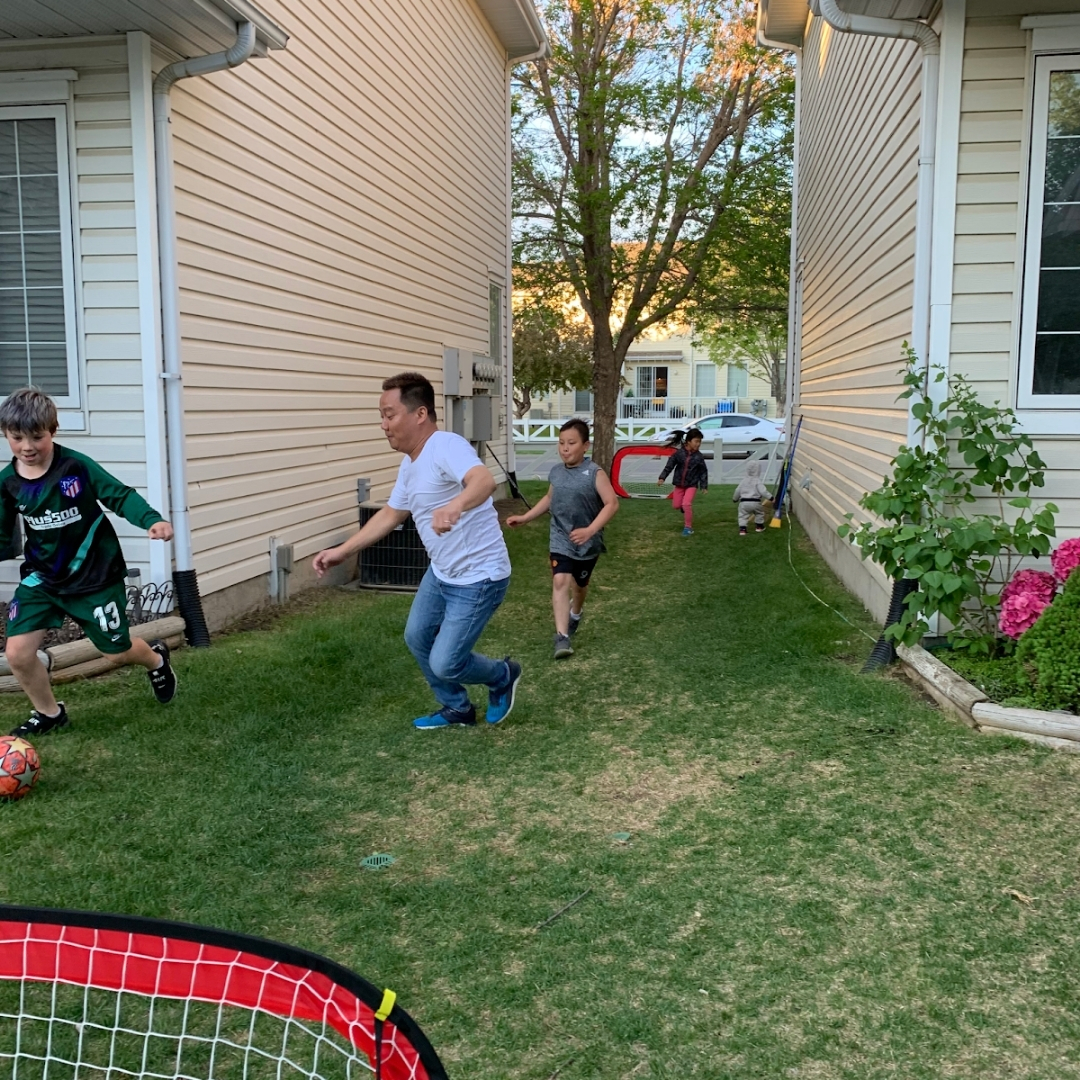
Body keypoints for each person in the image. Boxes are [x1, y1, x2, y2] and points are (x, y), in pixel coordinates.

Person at [313, 372, 521, 730]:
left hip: (479, 577)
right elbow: (393, 513)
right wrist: (343, 551)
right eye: (382, 416)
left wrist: (455, 506)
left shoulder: (446, 445)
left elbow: (483, 481)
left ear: (420, 413)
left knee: (446, 663)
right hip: (442, 574)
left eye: (389, 415)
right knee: (417, 636)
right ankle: (456, 707)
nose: (383, 425)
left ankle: (502, 674)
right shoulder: (410, 463)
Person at [0, 388, 178, 738]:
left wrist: (150, 520)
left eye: (37, 436)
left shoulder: (75, 467)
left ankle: (155, 658)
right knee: (18, 653)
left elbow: (118, 494)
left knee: (115, 652)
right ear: (5, 434)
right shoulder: (8, 483)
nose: (27, 446)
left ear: (53, 430)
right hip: (43, 578)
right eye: (17, 437)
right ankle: (49, 713)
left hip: (95, 576)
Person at [506, 419, 618, 659]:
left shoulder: (594, 473)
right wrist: (526, 517)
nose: (565, 448)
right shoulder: (556, 472)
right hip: (560, 537)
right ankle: (562, 637)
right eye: (561, 443)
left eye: (571, 443)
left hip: (588, 541)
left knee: (580, 587)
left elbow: (612, 504)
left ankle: (575, 612)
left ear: (585, 446)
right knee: (560, 581)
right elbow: (549, 499)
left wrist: (590, 530)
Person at [657, 428, 708, 535]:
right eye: (696, 441)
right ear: (689, 441)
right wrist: (662, 477)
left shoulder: (699, 457)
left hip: (692, 485)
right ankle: (684, 508)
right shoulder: (679, 454)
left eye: (700, 442)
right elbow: (669, 466)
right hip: (679, 484)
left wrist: (703, 485)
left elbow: (703, 471)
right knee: (676, 505)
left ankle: (688, 528)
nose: (698, 444)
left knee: (686, 504)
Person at [731, 460, 771, 534]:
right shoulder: (757, 481)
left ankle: (743, 529)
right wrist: (770, 497)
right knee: (759, 513)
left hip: (744, 502)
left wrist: (735, 499)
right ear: (758, 470)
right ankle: (759, 526)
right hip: (756, 502)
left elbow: (737, 491)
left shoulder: (743, 481)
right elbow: (763, 491)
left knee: (742, 515)